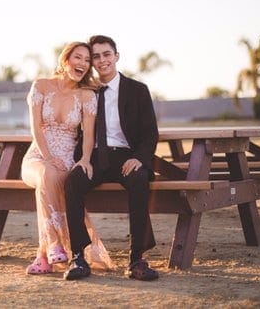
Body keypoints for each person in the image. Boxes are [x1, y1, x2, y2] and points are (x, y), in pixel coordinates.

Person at [64, 35, 159, 281]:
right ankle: (78, 256)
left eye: (107, 54)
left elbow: (150, 132)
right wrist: (81, 159)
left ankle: (137, 259)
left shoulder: (137, 90)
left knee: (139, 180)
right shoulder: (86, 91)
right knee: (73, 181)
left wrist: (139, 158)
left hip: (125, 157)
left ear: (116, 56)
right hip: (93, 157)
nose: (102, 60)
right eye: (96, 56)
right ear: (92, 62)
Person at [20, 41, 115, 275]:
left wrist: (84, 159)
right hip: (37, 156)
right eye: (77, 57)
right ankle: (53, 244)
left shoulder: (86, 96)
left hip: (67, 160)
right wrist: (47, 157)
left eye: (86, 60)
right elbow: (35, 128)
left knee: (51, 180)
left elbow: (89, 135)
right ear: (66, 60)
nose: (82, 63)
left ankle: (44, 255)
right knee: (45, 173)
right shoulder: (41, 86)